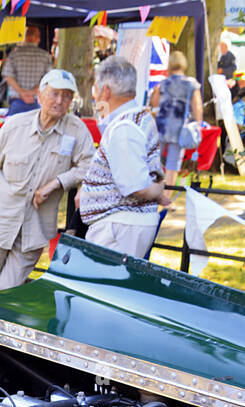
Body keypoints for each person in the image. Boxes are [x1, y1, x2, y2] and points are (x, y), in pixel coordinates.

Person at [0, 69, 94, 291]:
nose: (60, 101)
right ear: (40, 95)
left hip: (35, 228)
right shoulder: (15, 126)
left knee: (4, 292)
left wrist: (58, 182)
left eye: (66, 96)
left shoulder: (77, 130)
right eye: (55, 93)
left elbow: (90, 166)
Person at [77, 56, 169, 260]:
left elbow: (137, 186)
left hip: (119, 227)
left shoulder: (124, 128)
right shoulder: (136, 119)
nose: (95, 95)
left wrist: (158, 190)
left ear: (106, 91)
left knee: (101, 289)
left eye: (96, 88)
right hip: (122, 225)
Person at [148, 50, 203, 186]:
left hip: (161, 126)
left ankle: (153, 192)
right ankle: (167, 198)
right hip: (179, 128)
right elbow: (197, 106)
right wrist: (198, 123)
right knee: (173, 165)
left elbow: (154, 104)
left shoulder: (163, 83)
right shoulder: (191, 84)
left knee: (155, 161)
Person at [0, 25, 52, 116]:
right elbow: (47, 79)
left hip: (17, 100)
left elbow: (8, 77)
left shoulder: (14, 54)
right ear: (38, 39)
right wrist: (32, 92)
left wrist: (22, 93)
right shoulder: (45, 56)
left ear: (25, 37)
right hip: (37, 101)